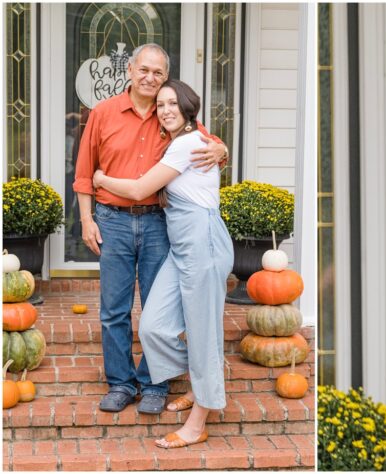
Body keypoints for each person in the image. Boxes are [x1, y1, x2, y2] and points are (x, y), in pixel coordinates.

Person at [72, 43, 228, 415]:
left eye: (158, 73)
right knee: (114, 308)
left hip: (160, 223)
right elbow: (82, 172)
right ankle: (122, 383)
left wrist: (223, 151)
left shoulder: (169, 112)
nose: (150, 78)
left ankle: (155, 383)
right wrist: (86, 219)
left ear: (164, 76)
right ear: (130, 70)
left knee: (158, 309)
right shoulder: (104, 112)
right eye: (144, 70)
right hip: (113, 220)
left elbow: (209, 142)